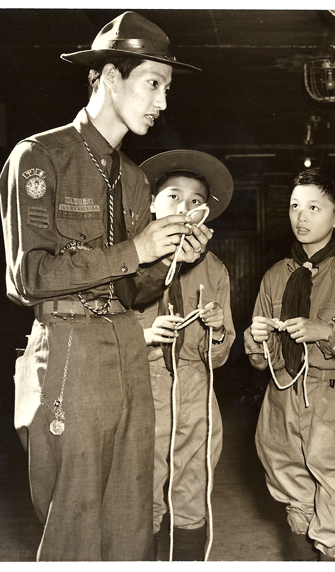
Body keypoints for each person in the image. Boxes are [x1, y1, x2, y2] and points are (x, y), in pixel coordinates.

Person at [0, 12, 208, 561]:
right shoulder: (41, 157)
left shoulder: (136, 178)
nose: (162, 102)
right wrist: (136, 249)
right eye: (153, 84)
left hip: (127, 351)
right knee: (75, 520)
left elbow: (133, 293)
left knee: (129, 515)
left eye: (167, 88)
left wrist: (171, 262)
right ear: (110, 77)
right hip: (68, 349)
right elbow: (30, 278)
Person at [243, 168, 335, 561]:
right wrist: (256, 339)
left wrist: (327, 332)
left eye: (314, 208)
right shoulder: (275, 276)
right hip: (282, 397)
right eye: (294, 207)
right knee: (294, 502)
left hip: (333, 398)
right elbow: (259, 362)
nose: (300, 217)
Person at [135, 150, 235, 561]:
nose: (184, 207)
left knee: (191, 494)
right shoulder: (130, 259)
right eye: (173, 196)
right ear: (153, 204)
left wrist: (216, 331)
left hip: (195, 392)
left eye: (196, 201)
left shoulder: (214, 270)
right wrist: (142, 335)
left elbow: (223, 353)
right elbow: (99, 329)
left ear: (206, 213)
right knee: (140, 494)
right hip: (142, 389)